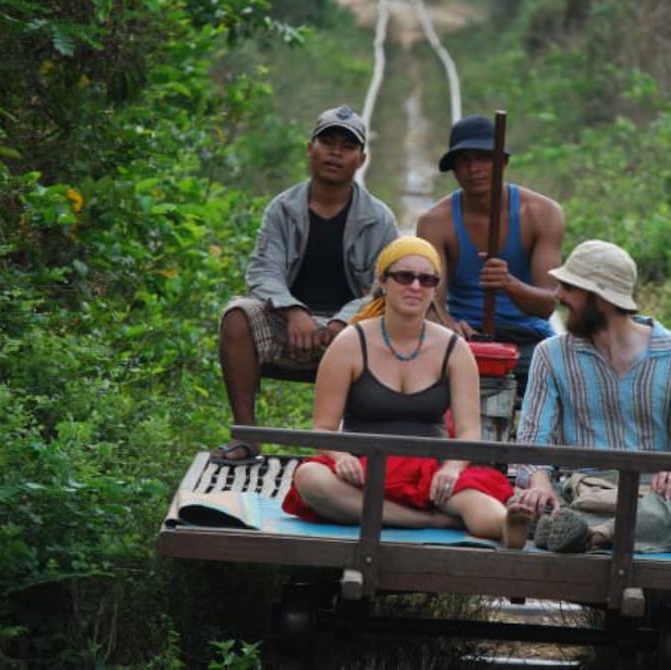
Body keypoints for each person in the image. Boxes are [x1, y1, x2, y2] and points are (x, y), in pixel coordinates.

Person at [281, 237, 534, 548]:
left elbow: (469, 431)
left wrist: (453, 468)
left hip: (430, 467)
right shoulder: (350, 342)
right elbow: (322, 427)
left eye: (427, 280)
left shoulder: (454, 348)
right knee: (310, 478)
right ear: (383, 282)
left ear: (435, 289)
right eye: (404, 276)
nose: (415, 286)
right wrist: (341, 456)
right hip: (365, 465)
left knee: (474, 498)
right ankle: (428, 520)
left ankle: (506, 527)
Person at [513, 240, 671, 556]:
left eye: (569, 287)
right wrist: (539, 484)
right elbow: (534, 438)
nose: (558, 295)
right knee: (526, 502)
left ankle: (596, 535)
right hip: (584, 487)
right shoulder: (551, 354)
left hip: (658, 490)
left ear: (600, 298)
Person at [212, 105, 399, 465]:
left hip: (352, 331)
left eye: (347, 146)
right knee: (237, 315)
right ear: (310, 148)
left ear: (361, 159)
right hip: (289, 324)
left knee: (391, 323)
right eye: (327, 143)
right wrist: (293, 310)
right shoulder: (282, 208)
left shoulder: (379, 218)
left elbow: (381, 287)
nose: (335, 153)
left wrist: (344, 322)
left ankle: (356, 445)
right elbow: (263, 271)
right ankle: (247, 435)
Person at [416, 114, 565, 392]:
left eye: (483, 158)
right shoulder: (435, 222)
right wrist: (449, 327)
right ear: (454, 169)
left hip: (527, 340)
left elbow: (547, 305)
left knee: (560, 386)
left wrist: (509, 284)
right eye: (464, 161)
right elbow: (431, 304)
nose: (474, 169)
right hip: (465, 338)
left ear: (503, 162)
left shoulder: (543, 214)